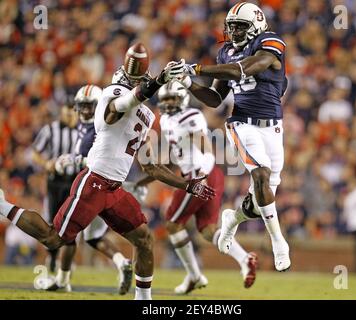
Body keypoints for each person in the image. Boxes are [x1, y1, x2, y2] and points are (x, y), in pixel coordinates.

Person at [0, 45, 215, 300]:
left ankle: (143, 300)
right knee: (54, 238)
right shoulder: (113, 95)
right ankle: (3, 205)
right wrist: (157, 80)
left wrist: (187, 185)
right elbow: (121, 106)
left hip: (115, 188)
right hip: (94, 181)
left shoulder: (146, 114)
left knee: (144, 240)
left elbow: (150, 166)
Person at [170, 2, 291, 271]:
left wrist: (196, 69)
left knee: (259, 202)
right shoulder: (225, 52)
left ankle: (232, 220)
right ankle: (278, 242)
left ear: (257, 24)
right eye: (231, 26)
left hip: (273, 128)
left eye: (240, 26)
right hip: (242, 123)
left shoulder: (271, 42)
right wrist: (188, 83)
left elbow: (244, 68)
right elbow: (215, 98)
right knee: (259, 175)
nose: (234, 31)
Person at [135, 80, 257, 294]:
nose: (169, 103)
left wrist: (201, 177)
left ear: (182, 98)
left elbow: (206, 149)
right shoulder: (165, 120)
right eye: (165, 99)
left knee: (173, 223)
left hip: (200, 175)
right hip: (203, 175)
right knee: (208, 230)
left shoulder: (191, 116)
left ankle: (194, 275)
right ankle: (244, 259)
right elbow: (177, 155)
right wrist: (146, 179)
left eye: (172, 98)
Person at [47, 84, 133, 294]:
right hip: (99, 185)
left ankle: (62, 279)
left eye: (90, 106)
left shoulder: (99, 127)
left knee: (66, 234)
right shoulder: (84, 126)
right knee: (93, 237)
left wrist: (71, 161)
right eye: (82, 106)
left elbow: (98, 159)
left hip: (91, 185)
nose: (85, 111)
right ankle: (122, 262)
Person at [31, 102, 78, 273]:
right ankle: (52, 257)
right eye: (67, 114)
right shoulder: (50, 130)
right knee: (52, 222)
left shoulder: (84, 131)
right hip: (55, 182)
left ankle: (66, 263)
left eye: (72, 114)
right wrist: (46, 164)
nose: (70, 117)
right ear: (61, 114)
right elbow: (35, 153)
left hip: (74, 181)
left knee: (71, 222)